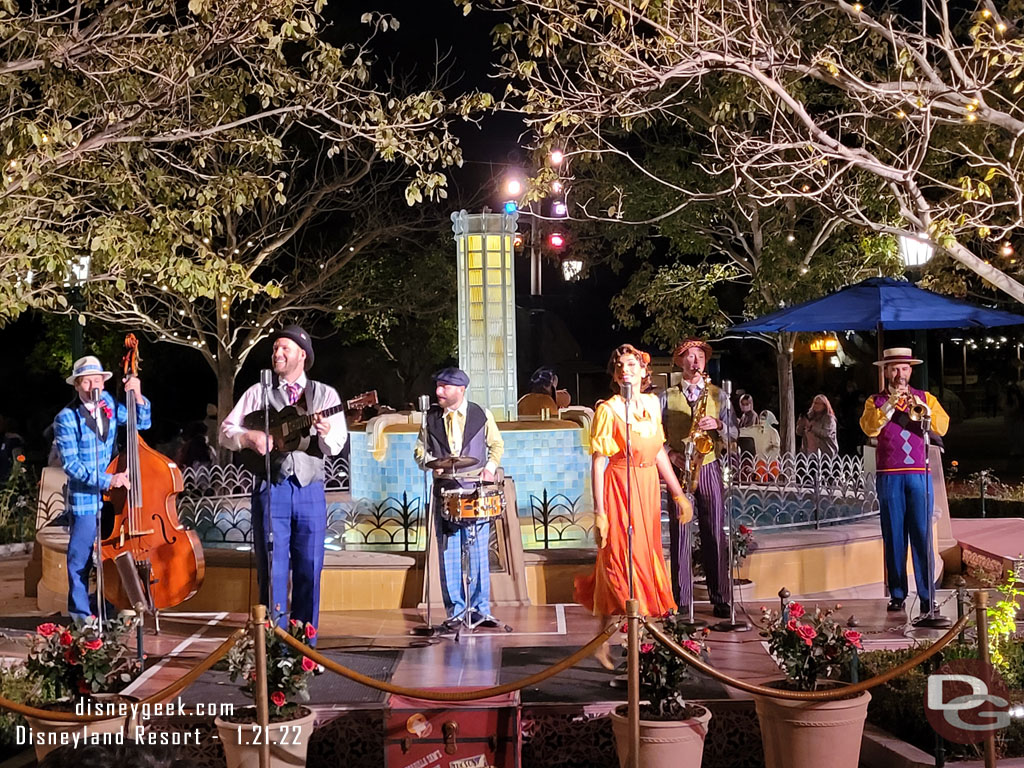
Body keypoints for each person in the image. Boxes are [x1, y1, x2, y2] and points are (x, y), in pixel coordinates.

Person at [220, 325, 347, 631]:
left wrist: (327, 434)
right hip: (270, 486)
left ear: (302, 355)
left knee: (310, 566)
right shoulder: (257, 392)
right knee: (273, 567)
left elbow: (336, 443)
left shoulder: (325, 395)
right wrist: (249, 437)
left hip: (309, 489)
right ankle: (274, 641)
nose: (277, 353)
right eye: (275, 348)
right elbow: (226, 431)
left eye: (284, 349)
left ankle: (306, 644)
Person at [575, 345, 690, 668]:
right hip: (619, 487)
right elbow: (599, 463)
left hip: (647, 487)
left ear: (643, 371)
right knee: (620, 563)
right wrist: (600, 512)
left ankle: (627, 639)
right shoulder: (608, 411)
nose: (624, 369)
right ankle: (626, 640)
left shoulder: (652, 404)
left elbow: (658, 452)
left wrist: (678, 492)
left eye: (631, 364)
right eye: (619, 366)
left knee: (644, 558)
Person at [53, 355, 151, 621]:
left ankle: (109, 610)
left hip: (114, 500)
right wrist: (110, 480)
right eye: (87, 381)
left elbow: (140, 423)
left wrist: (137, 396)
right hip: (85, 499)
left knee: (111, 557)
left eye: (97, 380)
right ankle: (81, 616)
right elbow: (71, 465)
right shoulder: (65, 418)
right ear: (77, 385)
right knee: (80, 560)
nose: (93, 386)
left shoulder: (108, 403)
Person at [860, 347, 950, 617]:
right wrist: (890, 404)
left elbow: (943, 426)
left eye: (905, 368)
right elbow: (869, 428)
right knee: (894, 535)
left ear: (911, 371)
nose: (900, 374)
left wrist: (923, 413)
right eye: (895, 368)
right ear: (886, 371)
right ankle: (898, 594)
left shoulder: (925, 398)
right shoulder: (874, 401)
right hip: (889, 475)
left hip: (918, 474)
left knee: (922, 535)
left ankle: (927, 596)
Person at [415, 367, 505, 629]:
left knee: (477, 552)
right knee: (449, 555)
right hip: (445, 491)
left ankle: (480, 609)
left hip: (474, 490)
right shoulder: (430, 418)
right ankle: (454, 611)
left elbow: (497, 445)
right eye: (438, 386)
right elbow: (419, 452)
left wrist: (490, 468)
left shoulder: (481, 414)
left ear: (461, 389)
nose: (438, 392)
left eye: (444, 387)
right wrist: (432, 462)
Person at [661, 338, 737, 618]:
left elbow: (735, 433)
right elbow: (656, 434)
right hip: (679, 468)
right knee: (680, 533)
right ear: (680, 361)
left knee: (715, 531)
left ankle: (721, 597)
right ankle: (681, 598)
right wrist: (671, 455)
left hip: (708, 464)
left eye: (700, 357)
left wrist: (718, 424)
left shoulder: (718, 395)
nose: (696, 362)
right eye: (690, 357)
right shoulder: (666, 396)